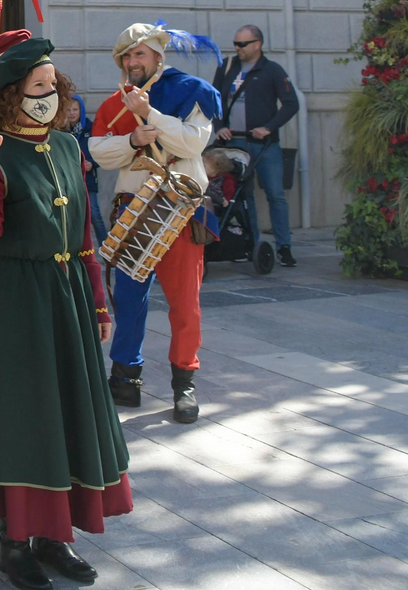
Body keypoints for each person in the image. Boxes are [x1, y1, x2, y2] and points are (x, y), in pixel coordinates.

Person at [0, 31, 129, 590]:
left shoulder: (69, 148)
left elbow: (82, 232)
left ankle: (56, 537)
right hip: (15, 298)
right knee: (23, 417)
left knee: (67, 413)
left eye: (54, 85)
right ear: (10, 94)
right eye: (38, 86)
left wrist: (99, 301)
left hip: (68, 293)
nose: (49, 94)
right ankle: (14, 543)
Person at [89, 22, 222, 424]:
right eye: (126, 56)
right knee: (128, 300)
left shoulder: (191, 92)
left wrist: (150, 116)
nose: (132, 62)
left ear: (157, 58)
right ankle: (125, 378)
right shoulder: (115, 103)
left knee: (185, 303)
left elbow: (191, 144)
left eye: (139, 54)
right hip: (133, 209)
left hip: (179, 209)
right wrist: (131, 141)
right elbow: (97, 151)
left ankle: (185, 384)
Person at [212, 25, 300, 267]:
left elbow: (291, 104)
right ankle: (250, 244)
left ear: (257, 44)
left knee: (275, 194)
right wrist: (220, 126)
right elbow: (213, 101)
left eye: (242, 44)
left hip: (264, 145)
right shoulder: (227, 67)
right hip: (234, 144)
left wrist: (269, 127)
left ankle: (284, 247)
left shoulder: (271, 70)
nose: (238, 49)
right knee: (242, 196)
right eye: (236, 44)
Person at [66, 94, 107, 245]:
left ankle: (107, 252)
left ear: (81, 110)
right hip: (69, 181)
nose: (71, 113)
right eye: (68, 109)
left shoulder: (91, 128)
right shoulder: (62, 132)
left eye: (75, 109)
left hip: (88, 179)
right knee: (72, 215)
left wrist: (92, 163)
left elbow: (103, 151)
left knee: (94, 214)